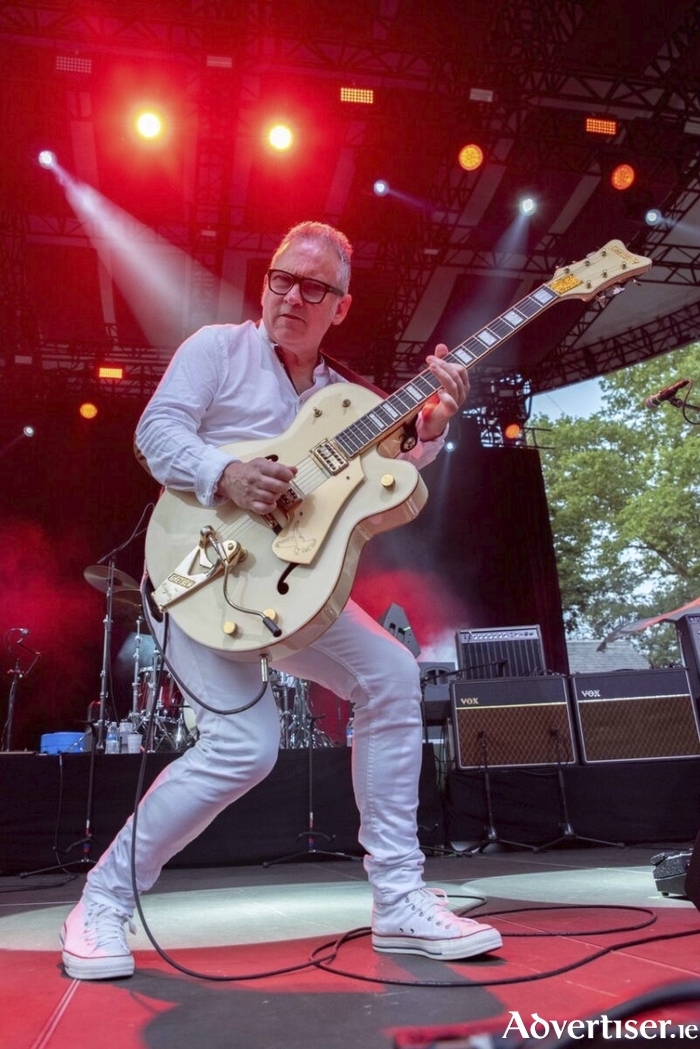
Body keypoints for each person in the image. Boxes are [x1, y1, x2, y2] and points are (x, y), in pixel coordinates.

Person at [60, 221, 502, 979]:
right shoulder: (216, 350)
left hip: (292, 590)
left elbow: (390, 473)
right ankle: (100, 902)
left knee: (392, 677)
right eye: (280, 279)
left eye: (314, 287)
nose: (291, 296)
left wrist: (428, 431)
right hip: (201, 567)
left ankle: (397, 901)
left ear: (342, 305)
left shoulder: (351, 400)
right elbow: (156, 431)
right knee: (245, 747)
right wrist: (225, 474)